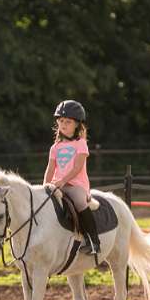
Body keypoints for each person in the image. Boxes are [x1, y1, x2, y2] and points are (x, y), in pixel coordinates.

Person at [43, 99, 99, 255]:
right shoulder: (55, 147)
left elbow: (77, 167)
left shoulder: (80, 143)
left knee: (80, 202)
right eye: (61, 121)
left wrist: (62, 181)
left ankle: (93, 241)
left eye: (68, 122)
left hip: (76, 185)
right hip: (57, 185)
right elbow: (50, 168)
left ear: (76, 125)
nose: (63, 125)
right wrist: (45, 185)